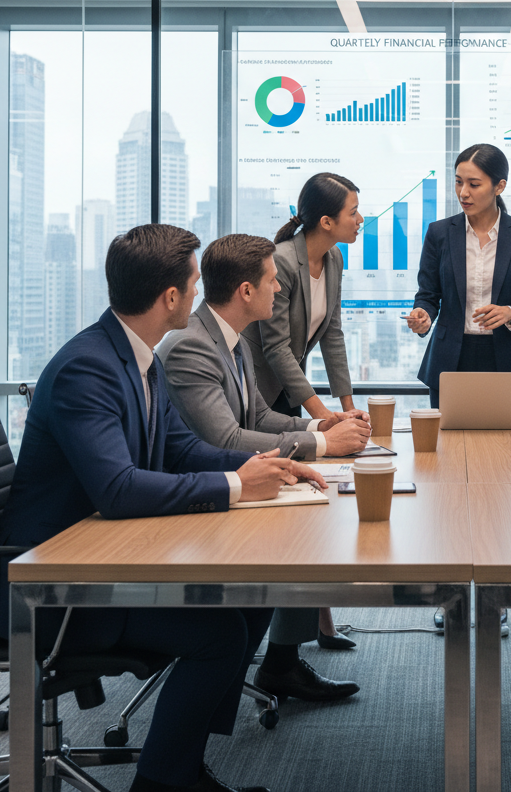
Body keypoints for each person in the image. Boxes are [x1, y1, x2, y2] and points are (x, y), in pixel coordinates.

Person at [0, 224, 326, 792]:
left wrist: (262, 470)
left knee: (249, 602)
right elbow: (117, 490)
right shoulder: (87, 368)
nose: (197, 295)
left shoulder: (136, 357)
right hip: (48, 588)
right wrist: (236, 488)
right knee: (219, 637)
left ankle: (183, 766)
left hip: (97, 557)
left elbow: (178, 448)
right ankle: (165, 783)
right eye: (192, 284)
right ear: (170, 297)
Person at [159, 233, 368, 701]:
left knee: (311, 514)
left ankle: (280, 661)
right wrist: (320, 443)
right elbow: (225, 439)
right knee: (301, 525)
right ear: (246, 292)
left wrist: (321, 422)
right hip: (195, 494)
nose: (280, 290)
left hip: (229, 477)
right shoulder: (192, 347)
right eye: (273, 282)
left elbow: (257, 416)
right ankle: (272, 664)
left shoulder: (231, 342)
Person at [405, 143, 511, 408]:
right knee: (448, 445)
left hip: (506, 360)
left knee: (507, 445)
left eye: (474, 184)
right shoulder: (440, 233)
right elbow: (428, 295)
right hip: (450, 359)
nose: (463, 193)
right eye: (458, 182)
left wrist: (510, 313)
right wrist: (423, 314)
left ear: (499, 186)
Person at [243, 173, 367, 425]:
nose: (360, 220)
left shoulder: (334, 258)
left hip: (289, 387)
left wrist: (349, 408)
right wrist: (322, 416)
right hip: (256, 385)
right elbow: (276, 347)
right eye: (353, 213)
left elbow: (332, 334)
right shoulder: (283, 260)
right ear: (326, 222)